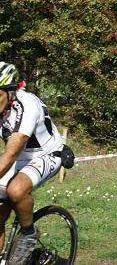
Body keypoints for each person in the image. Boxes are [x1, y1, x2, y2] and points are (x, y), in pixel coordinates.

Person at [0, 62, 64, 264]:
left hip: (47, 154)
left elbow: (10, 154)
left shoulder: (26, 105)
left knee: (16, 190)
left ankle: (28, 233)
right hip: (19, 159)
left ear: (11, 92)